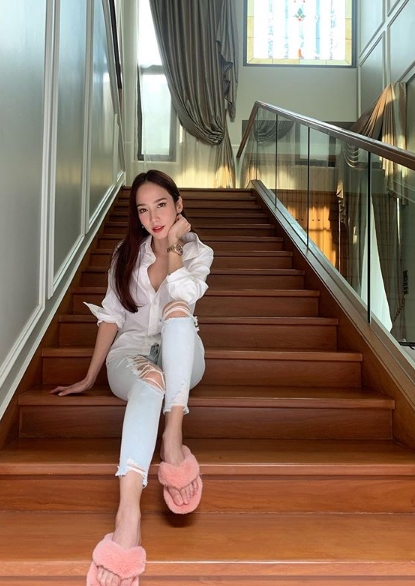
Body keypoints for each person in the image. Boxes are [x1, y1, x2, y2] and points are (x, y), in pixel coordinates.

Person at [51, 170, 214, 586]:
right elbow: (111, 317)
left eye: (161, 205)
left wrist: (174, 244)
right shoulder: (125, 255)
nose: (153, 217)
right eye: (143, 210)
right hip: (132, 355)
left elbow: (183, 294)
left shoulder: (199, 253)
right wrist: (90, 377)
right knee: (151, 378)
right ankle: (128, 515)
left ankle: (172, 437)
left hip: (183, 352)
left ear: (179, 206)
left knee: (178, 310)